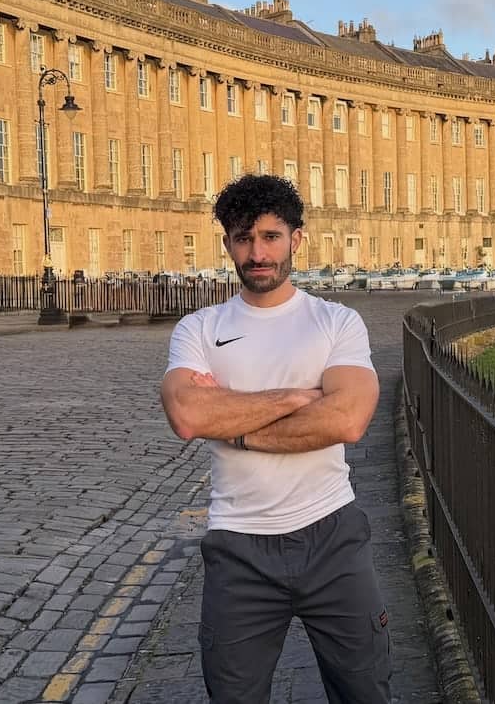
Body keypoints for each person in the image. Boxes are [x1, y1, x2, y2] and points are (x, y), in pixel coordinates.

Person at [160, 174, 391, 704]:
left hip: (332, 536)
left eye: (270, 236)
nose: (257, 252)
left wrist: (236, 427)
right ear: (228, 245)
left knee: (366, 693)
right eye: (244, 238)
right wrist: (295, 398)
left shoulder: (336, 321)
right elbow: (187, 414)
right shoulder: (199, 328)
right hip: (237, 546)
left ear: (296, 239)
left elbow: (348, 420)